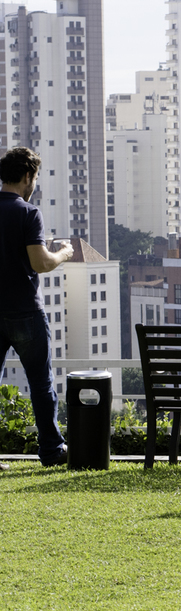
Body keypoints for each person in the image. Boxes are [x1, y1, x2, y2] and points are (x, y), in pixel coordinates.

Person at [1, 146, 74, 469]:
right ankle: (51, 450)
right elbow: (40, 263)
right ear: (27, 176)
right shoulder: (28, 213)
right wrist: (63, 253)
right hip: (25, 312)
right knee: (41, 384)